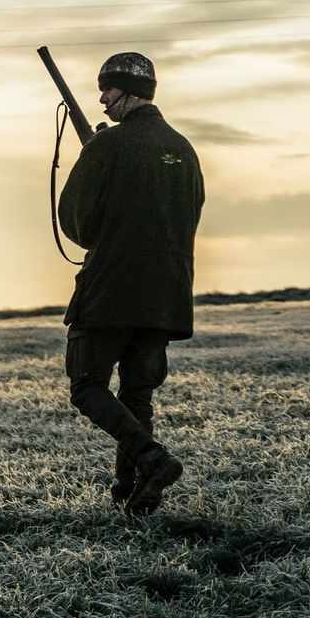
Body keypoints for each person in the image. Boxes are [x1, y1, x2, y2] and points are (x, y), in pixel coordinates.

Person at [58, 52, 204, 515]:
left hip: (110, 291)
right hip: (166, 295)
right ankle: (131, 493)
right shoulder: (184, 148)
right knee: (136, 394)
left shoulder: (107, 147)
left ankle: (152, 460)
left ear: (126, 92)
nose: (100, 99)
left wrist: (95, 159)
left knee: (87, 386)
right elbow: (188, 216)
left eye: (107, 89)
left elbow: (78, 223)